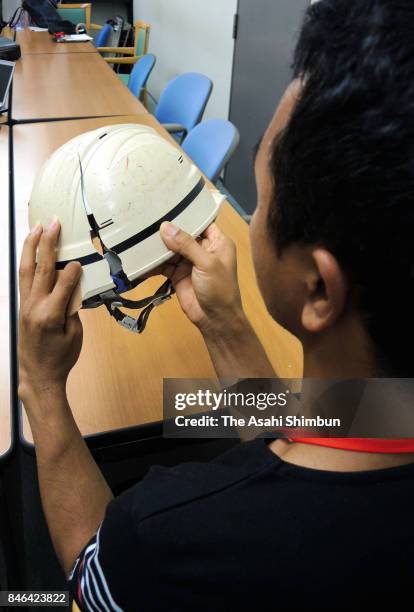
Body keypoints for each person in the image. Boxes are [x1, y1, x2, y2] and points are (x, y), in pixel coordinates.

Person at [18, 0, 414, 610]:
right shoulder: (383, 407)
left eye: (261, 190)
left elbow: (87, 581)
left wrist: (41, 388)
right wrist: (223, 323)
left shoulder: (165, 534)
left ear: (318, 288)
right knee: (189, 406)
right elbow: (328, 424)